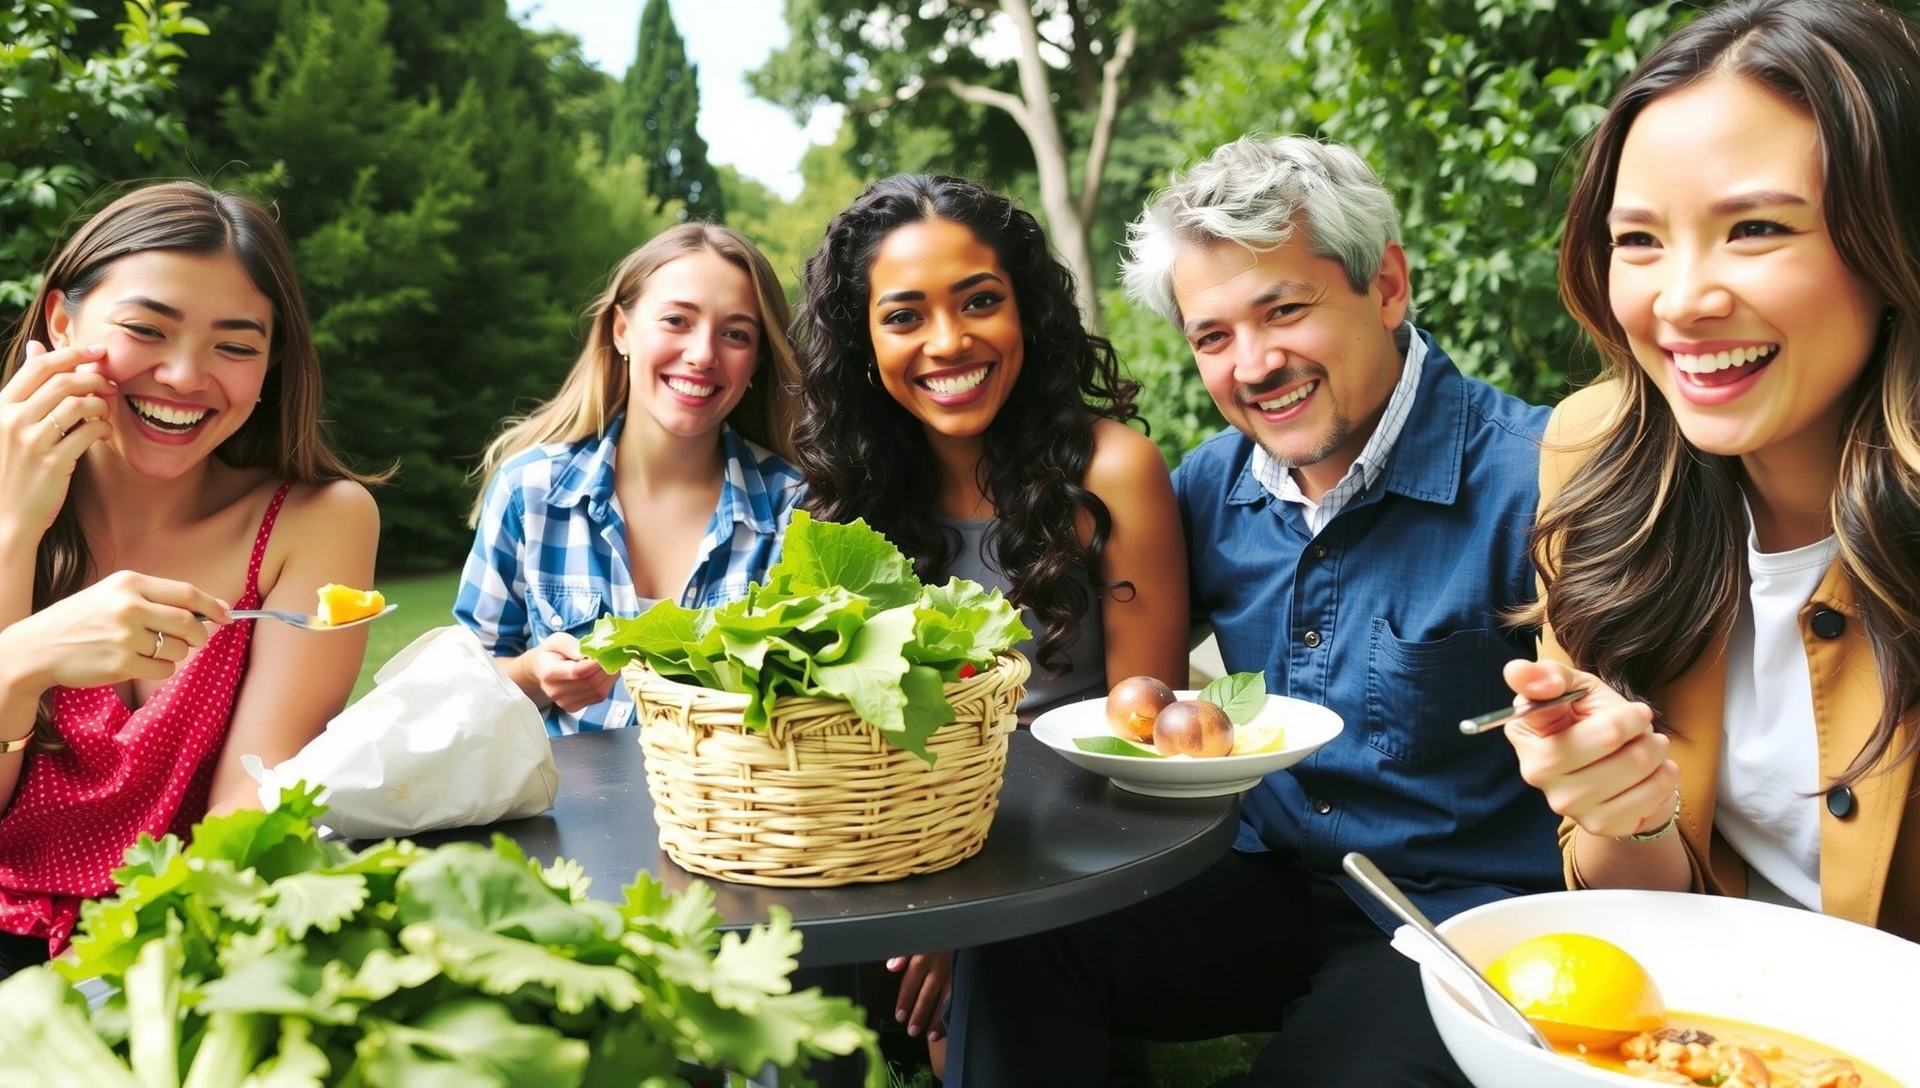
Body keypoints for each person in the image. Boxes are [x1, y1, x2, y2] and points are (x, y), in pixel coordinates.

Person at [943, 137, 1565, 1087]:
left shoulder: (1537, 485)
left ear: (1387, 287)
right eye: (1213, 336)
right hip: (1260, 886)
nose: (1255, 363)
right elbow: (1080, 666)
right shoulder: (1208, 489)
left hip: (1453, 924)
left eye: (1285, 310)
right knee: (1020, 942)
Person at [1502, 0, 1920, 941]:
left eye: (1758, 229)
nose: (1682, 302)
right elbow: (1630, 891)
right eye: (1640, 240)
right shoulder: (1596, 461)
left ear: (1895, 241)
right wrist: (1627, 805)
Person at [794, 174, 1190, 1066]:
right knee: (788, 951)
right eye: (904, 316)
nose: (947, 342)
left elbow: (1141, 743)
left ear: (1029, 314)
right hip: (905, 854)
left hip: (1078, 849)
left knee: (976, 1012)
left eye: (980, 301)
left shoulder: (1114, 471)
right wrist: (924, 902)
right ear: (861, 340)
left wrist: (969, 915)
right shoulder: (844, 501)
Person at [0, 181, 382, 977]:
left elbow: (249, 808)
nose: (183, 375)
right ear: (62, 322)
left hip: (194, 938)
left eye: (235, 346)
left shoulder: (319, 522)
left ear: (271, 364)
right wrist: (15, 545)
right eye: (147, 329)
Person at [456, 224, 806, 735]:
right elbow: (464, 688)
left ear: (756, 361)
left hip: (730, 812)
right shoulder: (529, 491)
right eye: (676, 320)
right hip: (562, 814)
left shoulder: (794, 508)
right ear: (622, 330)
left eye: (735, 333)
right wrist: (532, 674)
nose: (703, 353)